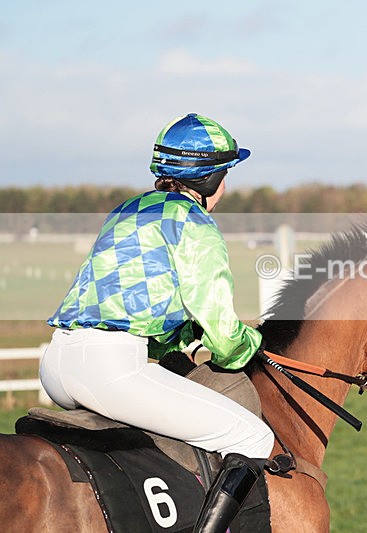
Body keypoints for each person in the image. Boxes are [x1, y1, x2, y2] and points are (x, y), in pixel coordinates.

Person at [41, 113, 272, 532]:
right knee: (254, 438)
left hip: (56, 363)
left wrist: (178, 337)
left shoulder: (126, 210)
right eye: (225, 174)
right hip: (110, 368)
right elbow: (223, 333)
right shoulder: (198, 226)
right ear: (209, 180)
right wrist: (250, 345)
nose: (226, 186)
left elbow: (136, 297)